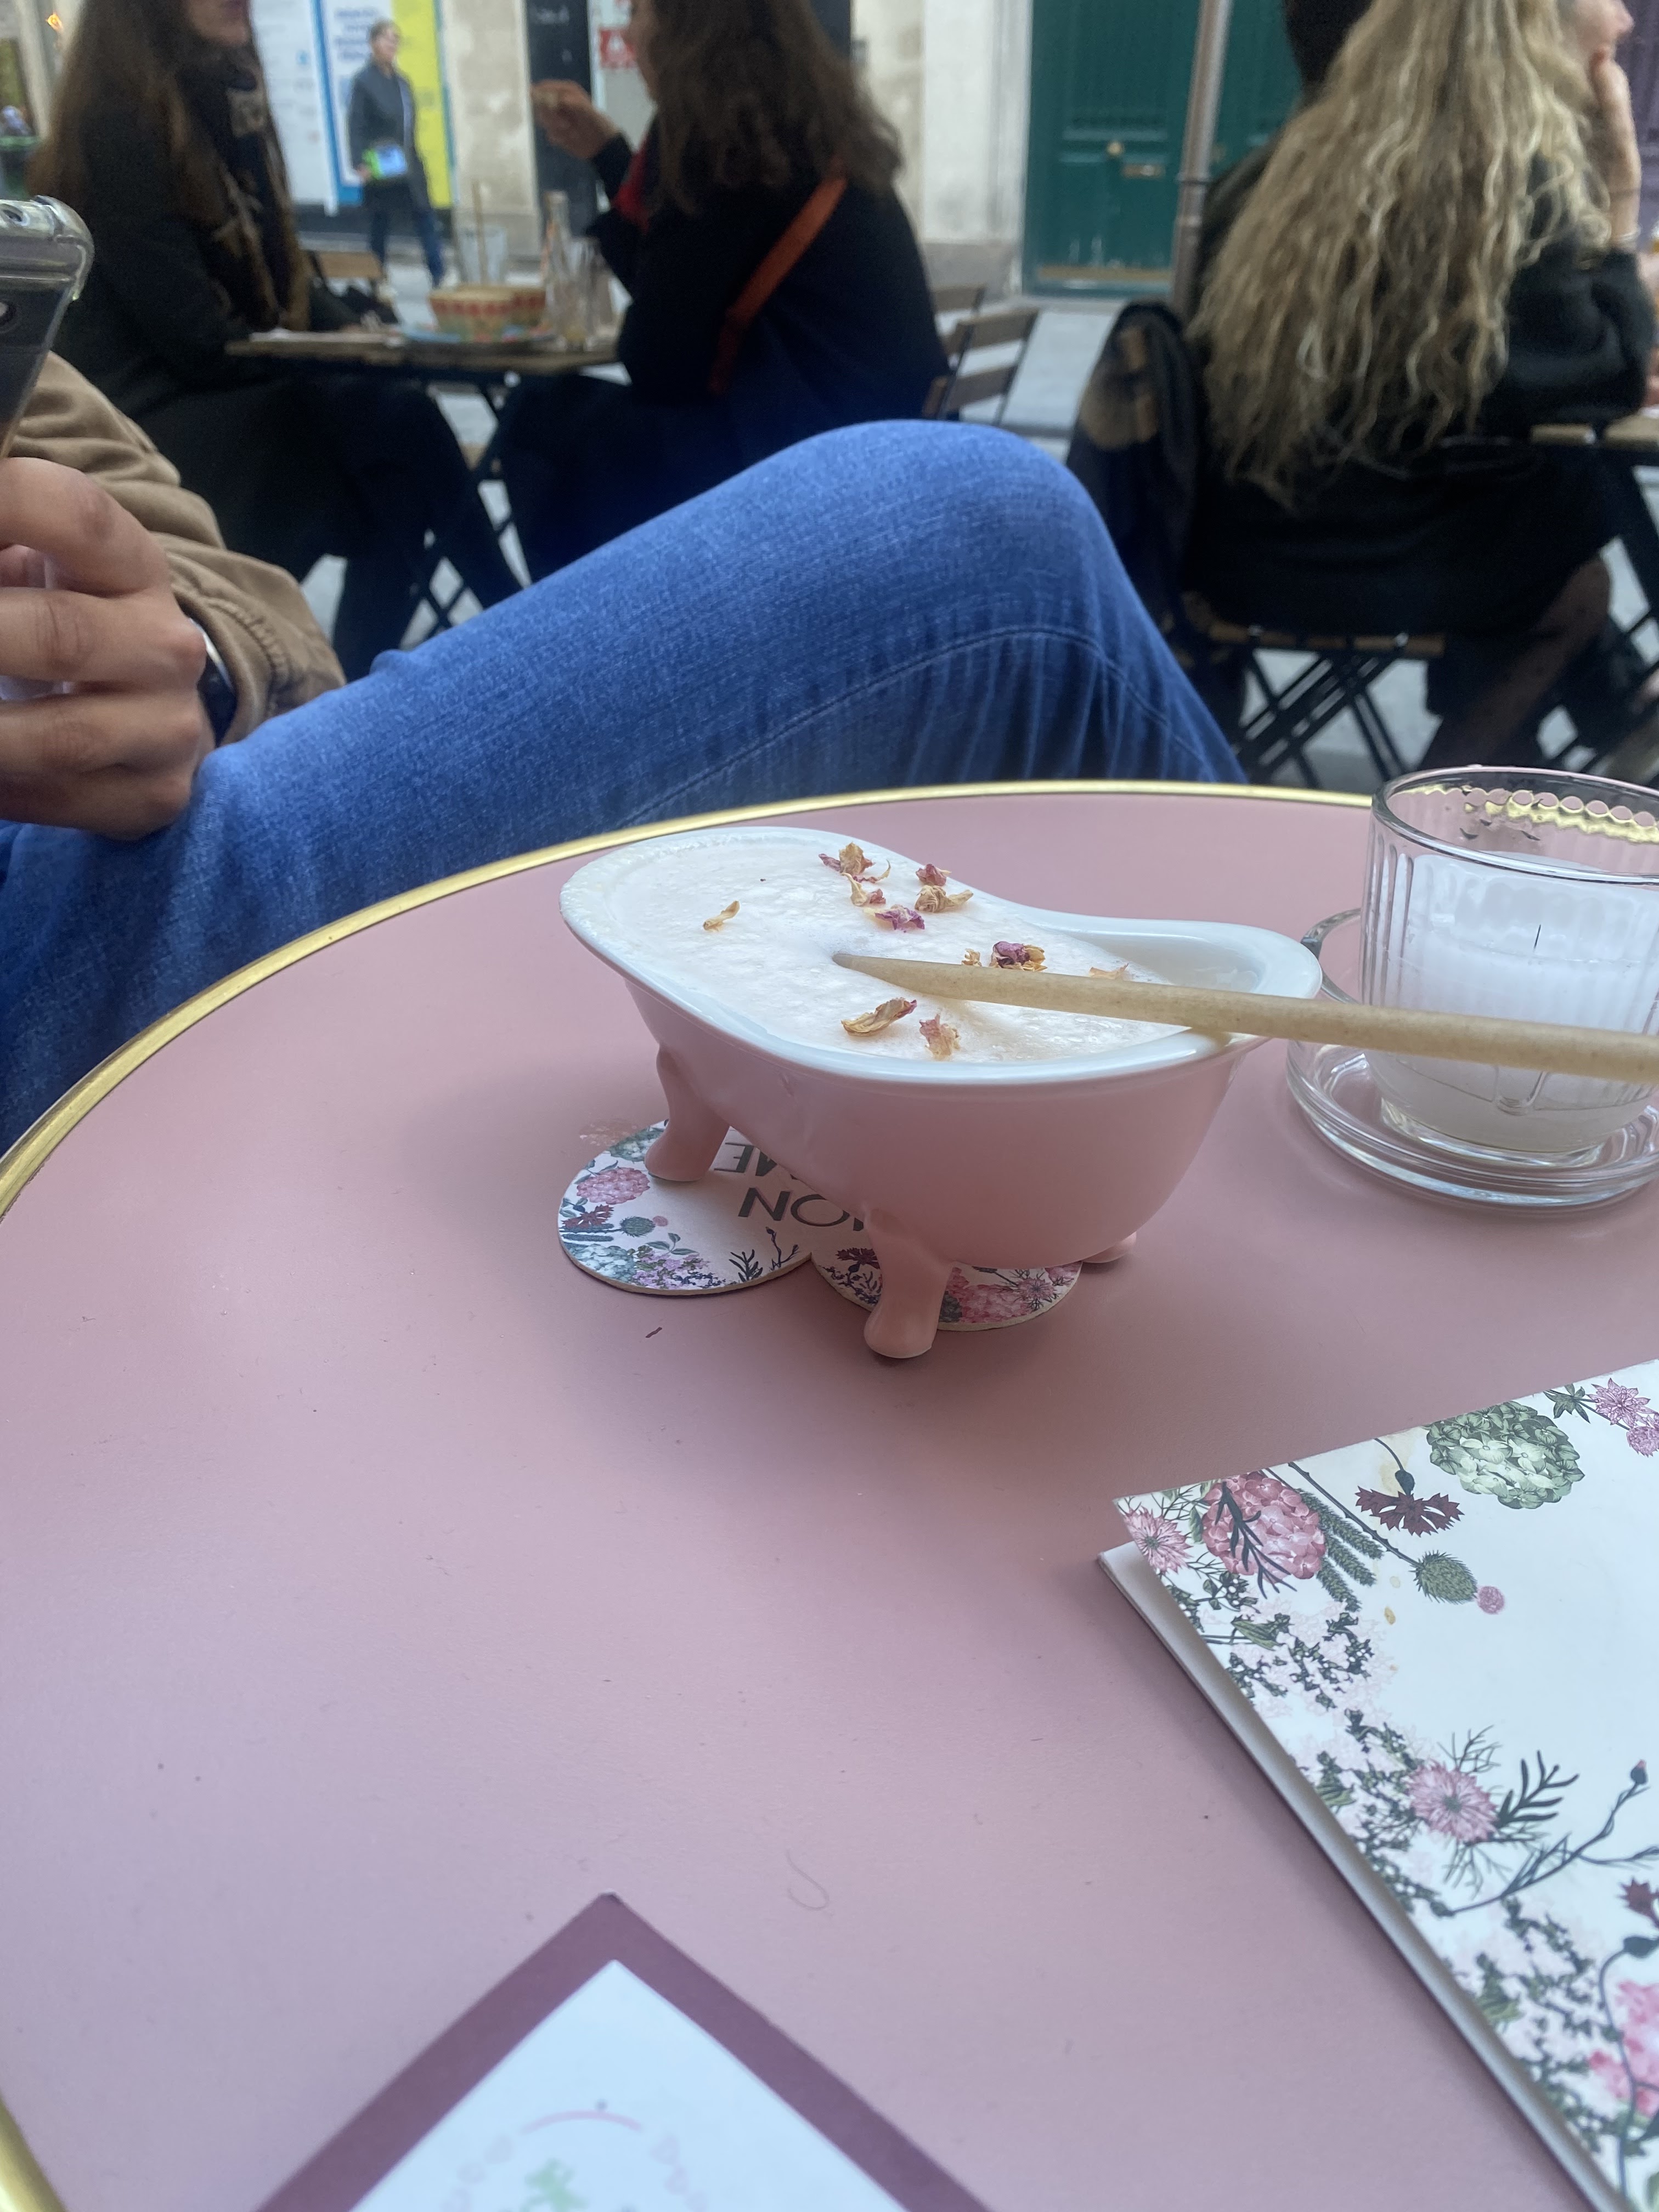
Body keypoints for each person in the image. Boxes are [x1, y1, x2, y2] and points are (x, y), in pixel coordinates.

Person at [0, 420, 1241, 1150]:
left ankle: (1262, 1053)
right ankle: (1281, 1058)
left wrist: (179, 654)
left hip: (72, 823)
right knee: (987, 541)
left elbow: (136, 489)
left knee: (975, 539)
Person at [1187, 0, 1656, 770]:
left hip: (1242, 548)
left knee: (1537, 509)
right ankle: (1438, 800)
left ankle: (1545, 751)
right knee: (1573, 559)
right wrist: (1621, 198)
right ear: (1534, 24)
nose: (1625, 21)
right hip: (1362, 562)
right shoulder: (1499, 191)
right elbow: (1606, 378)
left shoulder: (1272, 170)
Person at [31, 0, 520, 678]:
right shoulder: (118, 122)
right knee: (396, 421)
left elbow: (284, 276)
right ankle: (518, 624)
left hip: (231, 397)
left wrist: (358, 331)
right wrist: (336, 358)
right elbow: (196, 341)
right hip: (150, 422)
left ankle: (355, 691)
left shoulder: (229, 109)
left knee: (395, 475)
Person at [501, 0, 946, 577]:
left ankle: (588, 629)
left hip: (805, 484)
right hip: (883, 460)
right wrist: (612, 156)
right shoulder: (809, 133)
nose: (627, 34)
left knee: (539, 417)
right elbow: (685, 297)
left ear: (685, 25)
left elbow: (659, 363)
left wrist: (633, 168)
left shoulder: (722, 148)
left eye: (636, 10)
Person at [348, 18, 444, 288]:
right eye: (387, 39)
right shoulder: (364, 82)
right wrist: (359, 162)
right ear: (373, 44)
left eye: (396, 40)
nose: (392, 45)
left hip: (409, 160)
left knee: (424, 215)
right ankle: (375, 275)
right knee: (380, 221)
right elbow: (356, 124)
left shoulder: (402, 82)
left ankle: (438, 274)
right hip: (381, 162)